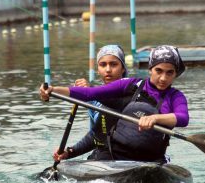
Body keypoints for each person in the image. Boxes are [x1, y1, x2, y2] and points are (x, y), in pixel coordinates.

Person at [40, 45, 188, 163]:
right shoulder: (130, 85)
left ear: (176, 74)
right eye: (158, 71)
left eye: (170, 73)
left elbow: (183, 118)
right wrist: (54, 90)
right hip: (116, 157)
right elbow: (89, 94)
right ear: (150, 69)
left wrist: (155, 119)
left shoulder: (176, 96)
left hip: (152, 159)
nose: (163, 78)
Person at [54, 44, 129, 161]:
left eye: (114, 64)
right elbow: (96, 136)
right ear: (98, 70)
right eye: (103, 65)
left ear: (123, 68)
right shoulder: (93, 101)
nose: (108, 69)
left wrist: (89, 91)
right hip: (104, 155)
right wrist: (70, 152)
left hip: (129, 155)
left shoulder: (133, 90)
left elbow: (117, 101)